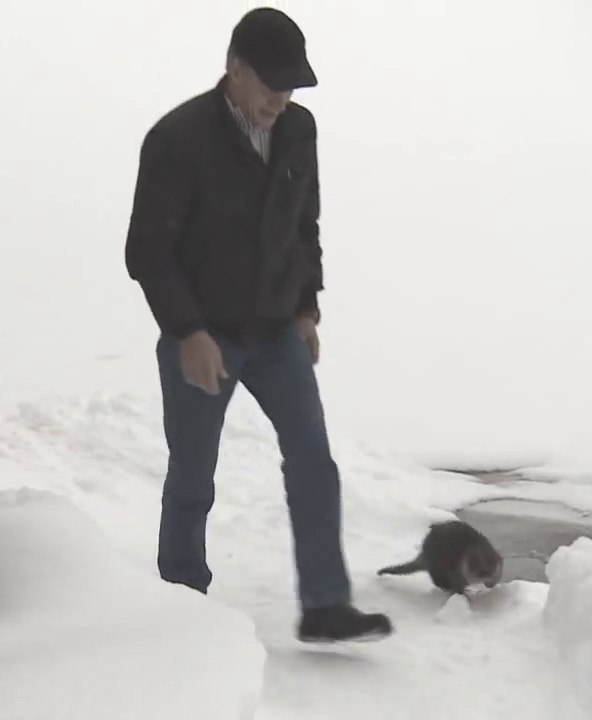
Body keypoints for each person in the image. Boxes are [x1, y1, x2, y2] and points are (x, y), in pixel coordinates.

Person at [124, 7, 392, 643]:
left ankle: (325, 606)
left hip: (275, 332)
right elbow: (146, 252)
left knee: (313, 461)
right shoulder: (179, 139)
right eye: (271, 82)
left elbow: (305, 227)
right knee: (193, 474)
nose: (282, 97)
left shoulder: (299, 131)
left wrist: (306, 308)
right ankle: (181, 601)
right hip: (204, 335)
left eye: (292, 84)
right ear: (235, 70)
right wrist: (187, 331)